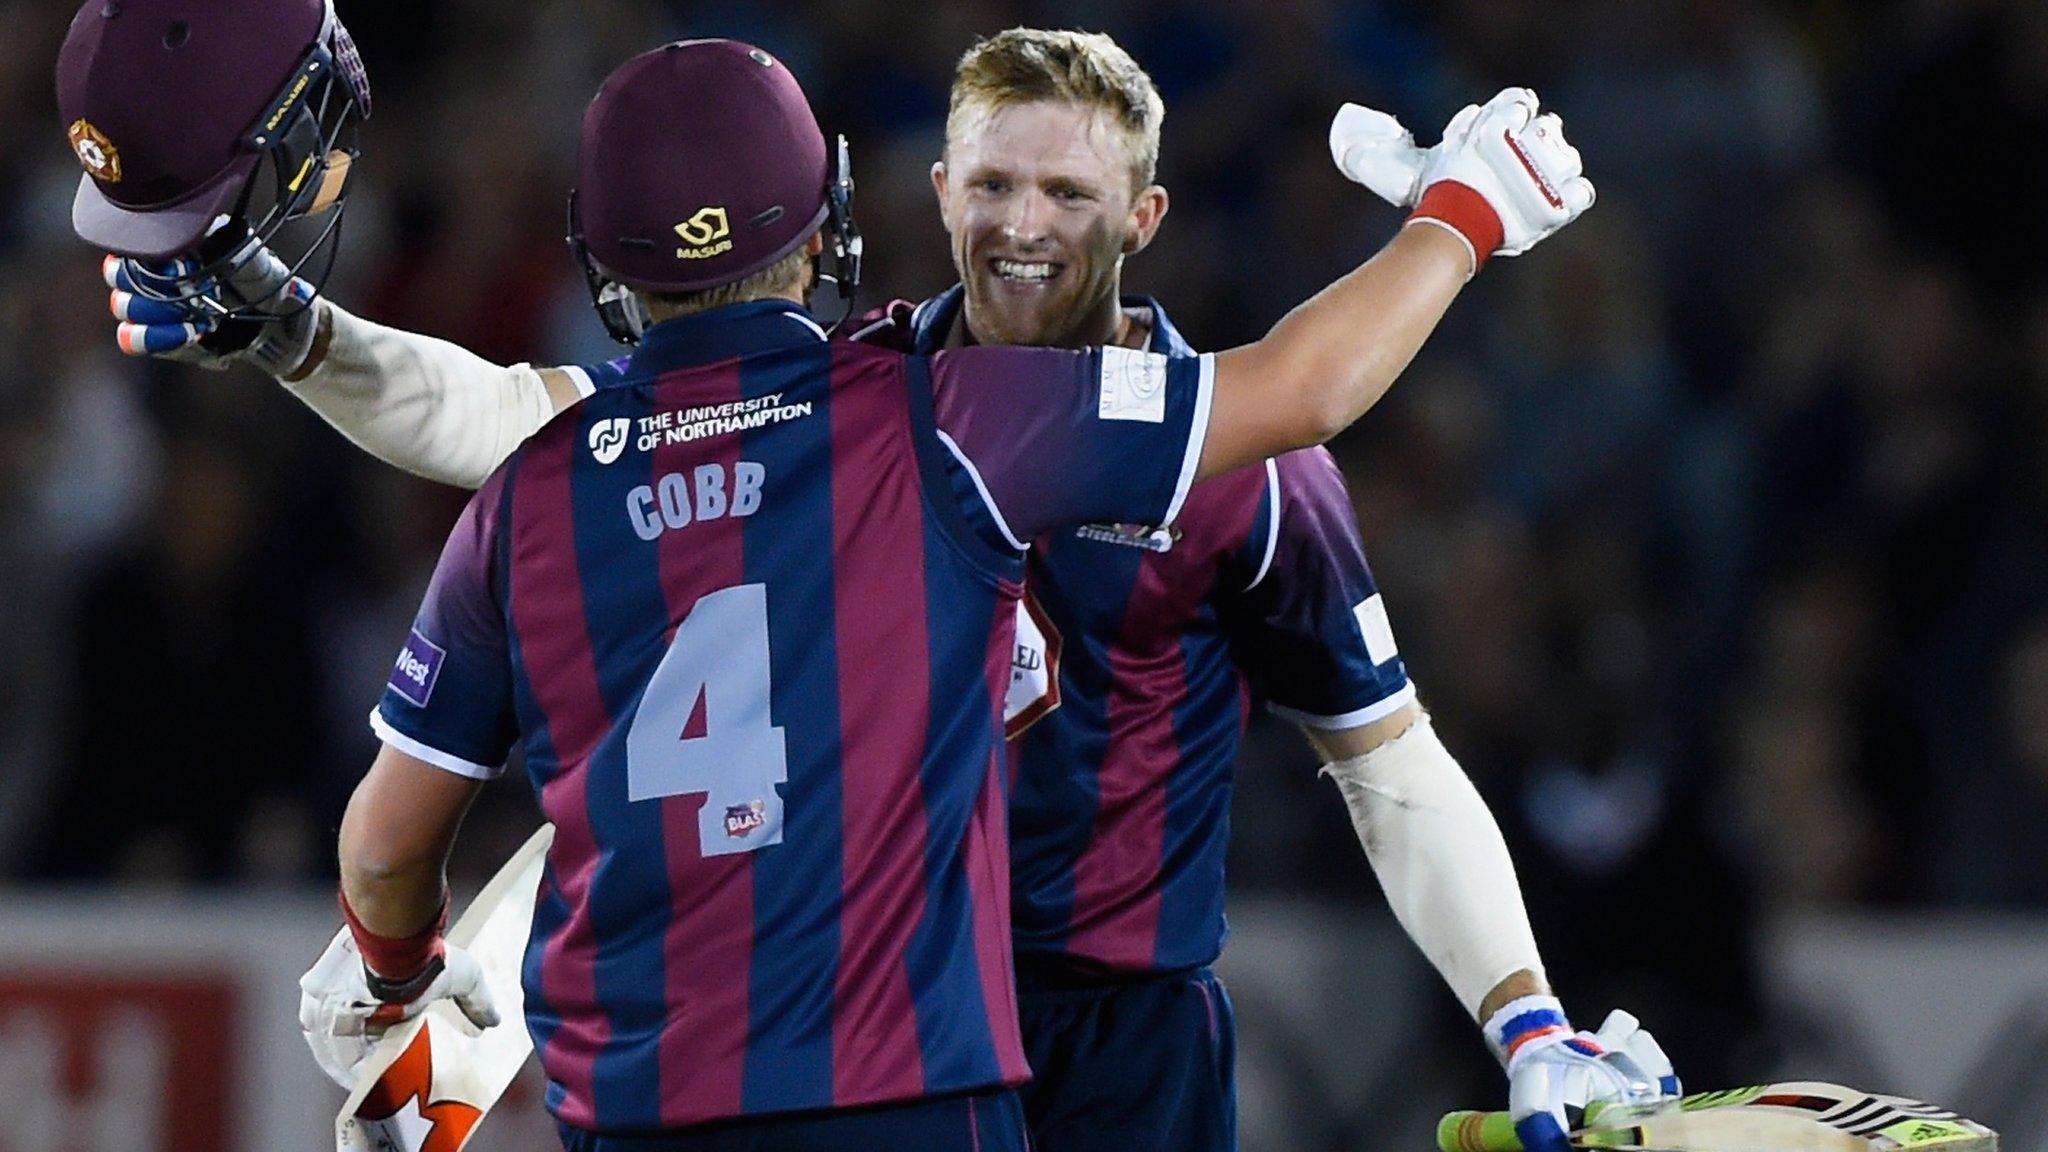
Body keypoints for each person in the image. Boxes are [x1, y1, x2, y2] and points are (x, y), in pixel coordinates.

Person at [69, 10, 1627, 1152]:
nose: (1024, 225)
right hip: (887, 1021)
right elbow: (514, 424)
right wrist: (295, 332)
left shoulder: (1201, 467)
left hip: (1102, 1027)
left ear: (1144, 218)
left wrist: (1525, 1015)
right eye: (993, 187)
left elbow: (1388, 763)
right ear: (925, 197)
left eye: (1070, 196)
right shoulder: (882, 407)